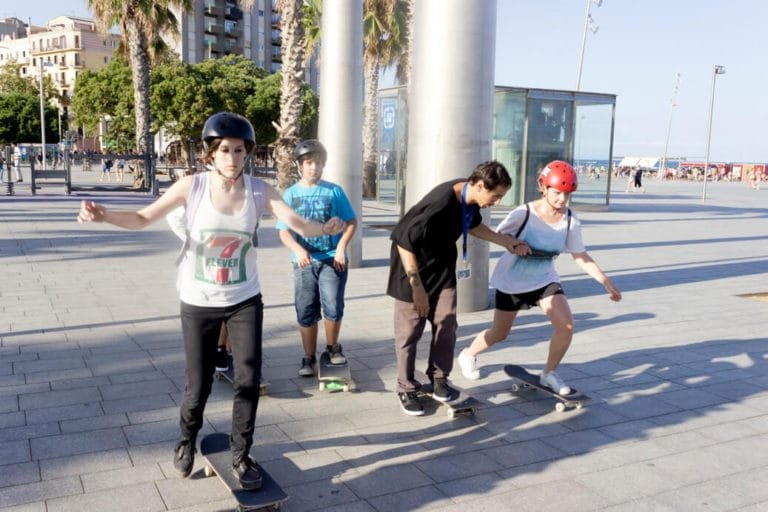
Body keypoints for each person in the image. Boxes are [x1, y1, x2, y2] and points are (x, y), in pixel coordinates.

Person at [77, 112, 346, 489]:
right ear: (211, 153)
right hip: (199, 299)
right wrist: (105, 215)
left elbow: (297, 223)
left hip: (244, 298)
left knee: (248, 379)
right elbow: (142, 217)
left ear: (247, 153)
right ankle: (186, 439)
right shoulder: (192, 186)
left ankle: (241, 454)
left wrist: (324, 228)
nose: (232, 157)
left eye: (239, 150)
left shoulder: (260, 190)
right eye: (224, 150)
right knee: (199, 383)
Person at [457, 160, 621, 395]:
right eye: (557, 193)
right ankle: (468, 354)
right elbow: (498, 236)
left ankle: (549, 373)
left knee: (566, 326)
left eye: (567, 194)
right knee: (499, 333)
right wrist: (516, 245)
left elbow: (580, 255)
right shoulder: (523, 214)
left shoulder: (570, 220)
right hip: (512, 281)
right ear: (543, 187)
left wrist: (605, 281)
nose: (562, 199)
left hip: (545, 280)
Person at [387, 161, 529, 416]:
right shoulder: (441, 202)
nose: (496, 202)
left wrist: (505, 241)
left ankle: (439, 378)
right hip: (412, 271)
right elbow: (403, 239)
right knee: (409, 332)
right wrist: (417, 287)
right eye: (496, 196)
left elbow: (473, 225)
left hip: (442, 270)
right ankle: (406, 387)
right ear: (480, 186)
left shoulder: (470, 200)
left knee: (447, 324)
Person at [275, 140, 358, 377]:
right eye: (309, 163)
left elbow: (351, 222)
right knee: (306, 309)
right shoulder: (291, 194)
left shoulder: (334, 191)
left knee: (333, 305)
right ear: (300, 165)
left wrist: (341, 247)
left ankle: (332, 348)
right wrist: (298, 250)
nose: (314, 167)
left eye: (318, 163)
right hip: (304, 262)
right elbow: (283, 231)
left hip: (332, 259)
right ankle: (308, 357)